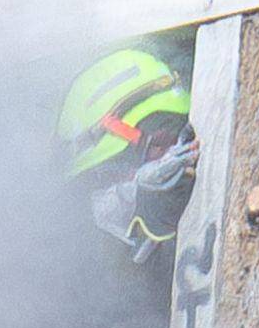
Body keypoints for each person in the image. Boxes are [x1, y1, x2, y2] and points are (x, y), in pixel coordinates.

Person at [55, 47, 199, 264]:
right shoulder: (102, 255)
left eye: (121, 170)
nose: (120, 187)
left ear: (156, 143)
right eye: (104, 177)